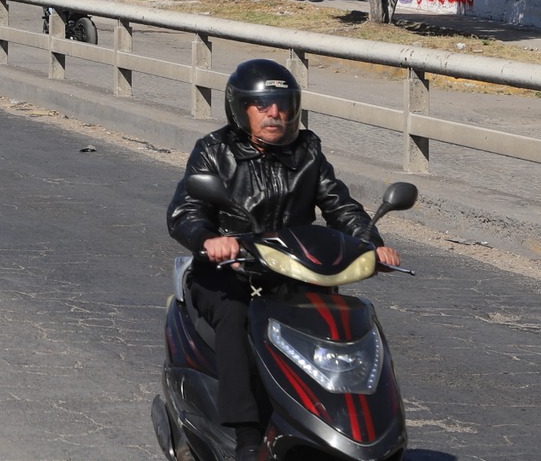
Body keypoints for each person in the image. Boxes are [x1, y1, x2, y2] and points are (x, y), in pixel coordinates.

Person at [167, 60, 400, 461]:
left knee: (343, 317)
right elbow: (185, 211)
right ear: (241, 109)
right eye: (263, 106)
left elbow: (340, 205)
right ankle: (246, 436)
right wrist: (210, 240)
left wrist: (370, 244)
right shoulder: (214, 151)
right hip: (229, 273)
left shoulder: (307, 151)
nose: (275, 113)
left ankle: (352, 422)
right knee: (235, 314)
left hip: (297, 269)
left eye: (282, 105)